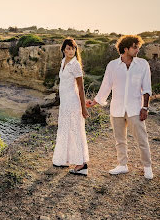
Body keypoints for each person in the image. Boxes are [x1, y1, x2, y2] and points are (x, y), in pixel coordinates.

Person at [86, 35, 153, 179]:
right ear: (125, 48)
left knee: (142, 139)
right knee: (120, 140)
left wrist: (145, 108)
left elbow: (147, 88)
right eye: (135, 47)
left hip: (135, 108)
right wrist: (95, 101)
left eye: (138, 47)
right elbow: (106, 86)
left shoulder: (142, 64)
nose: (137, 50)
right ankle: (122, 165)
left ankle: (147, 167)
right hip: (116, 108)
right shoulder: (112, 65)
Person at [52, 38, 90, 176]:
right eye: (68, 48)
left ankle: (82, 164)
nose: (71, 51)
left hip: (73, 103)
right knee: (64, 129)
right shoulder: (63, 62)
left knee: (75, 130)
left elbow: (80, 88)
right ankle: (63, 159)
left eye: (73, 48)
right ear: (63, 50)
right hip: (65, 103)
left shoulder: (75, 65)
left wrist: (83, 107)